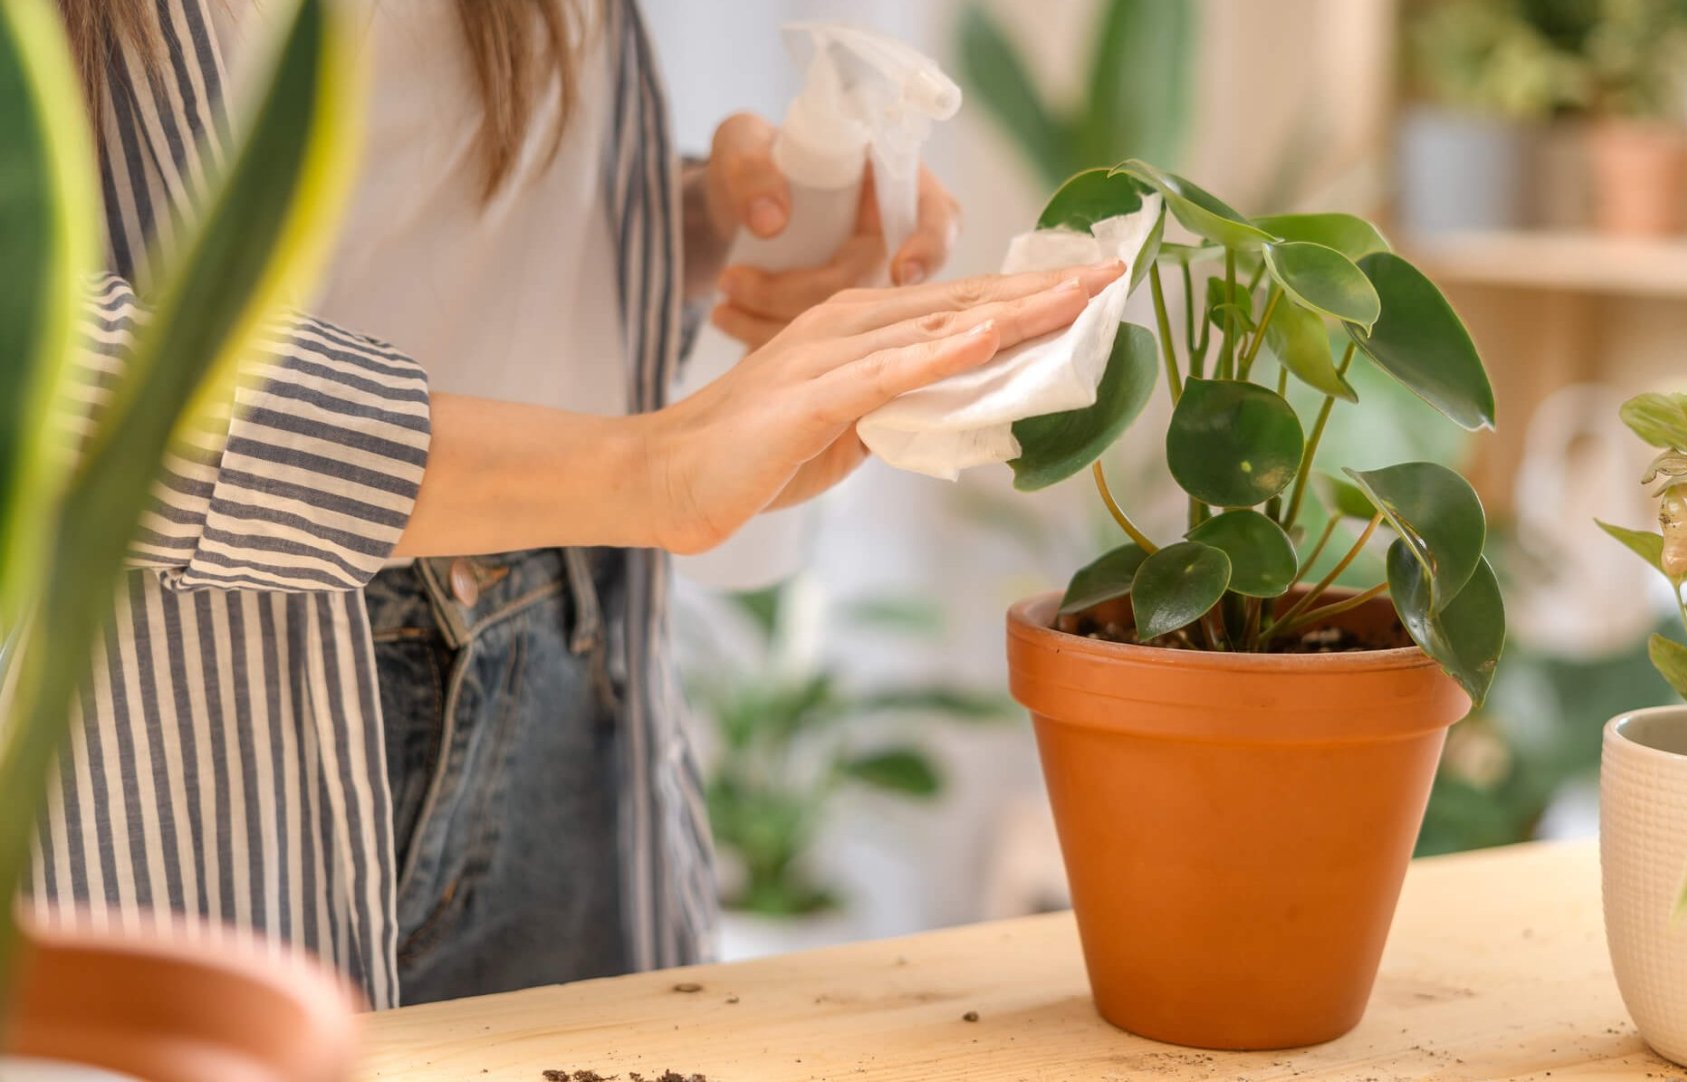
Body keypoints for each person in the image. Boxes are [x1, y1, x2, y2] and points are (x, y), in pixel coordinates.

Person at [32, 0, 1124, 1009]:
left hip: (566, 670)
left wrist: (699, 219)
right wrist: (646, 470)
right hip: (193, 737)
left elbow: (414, 173)